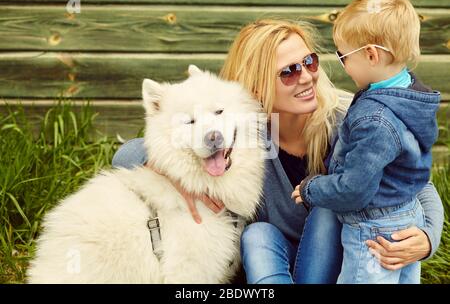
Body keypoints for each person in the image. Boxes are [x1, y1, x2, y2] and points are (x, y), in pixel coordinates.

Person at [112, 19, 444, 284]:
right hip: (273, 261)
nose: (306, 78)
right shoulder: (243, 132)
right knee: (257, 233)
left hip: (347, 258)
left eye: (309, 62)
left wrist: (428, 238)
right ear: (257, 86)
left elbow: (419, 184)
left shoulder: (354, 117)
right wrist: (178, 172)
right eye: (288, 72)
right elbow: (125, 155)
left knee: (326, 209)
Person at [292, 0, 441, 284]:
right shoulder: (410, 97)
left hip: (374, 230)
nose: (342, 64)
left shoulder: (376, 119)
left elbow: (354, 190)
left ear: (371, 55)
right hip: (407, 216)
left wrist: (312, 188)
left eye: (343, 56)